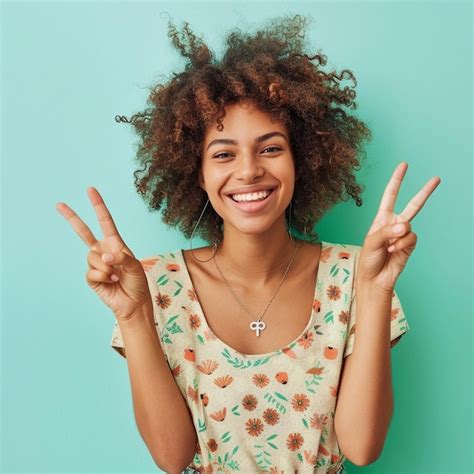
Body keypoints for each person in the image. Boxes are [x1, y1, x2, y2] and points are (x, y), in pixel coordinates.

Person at [56, 14, 441, 473]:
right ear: (196, 172)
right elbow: (173, 458)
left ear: (303, 160)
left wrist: (376, 291)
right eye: (223, 154)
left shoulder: (357, 274)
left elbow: (361, 449)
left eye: (271, 148)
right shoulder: (153, 284)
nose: (249, 171)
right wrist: (135, 315)